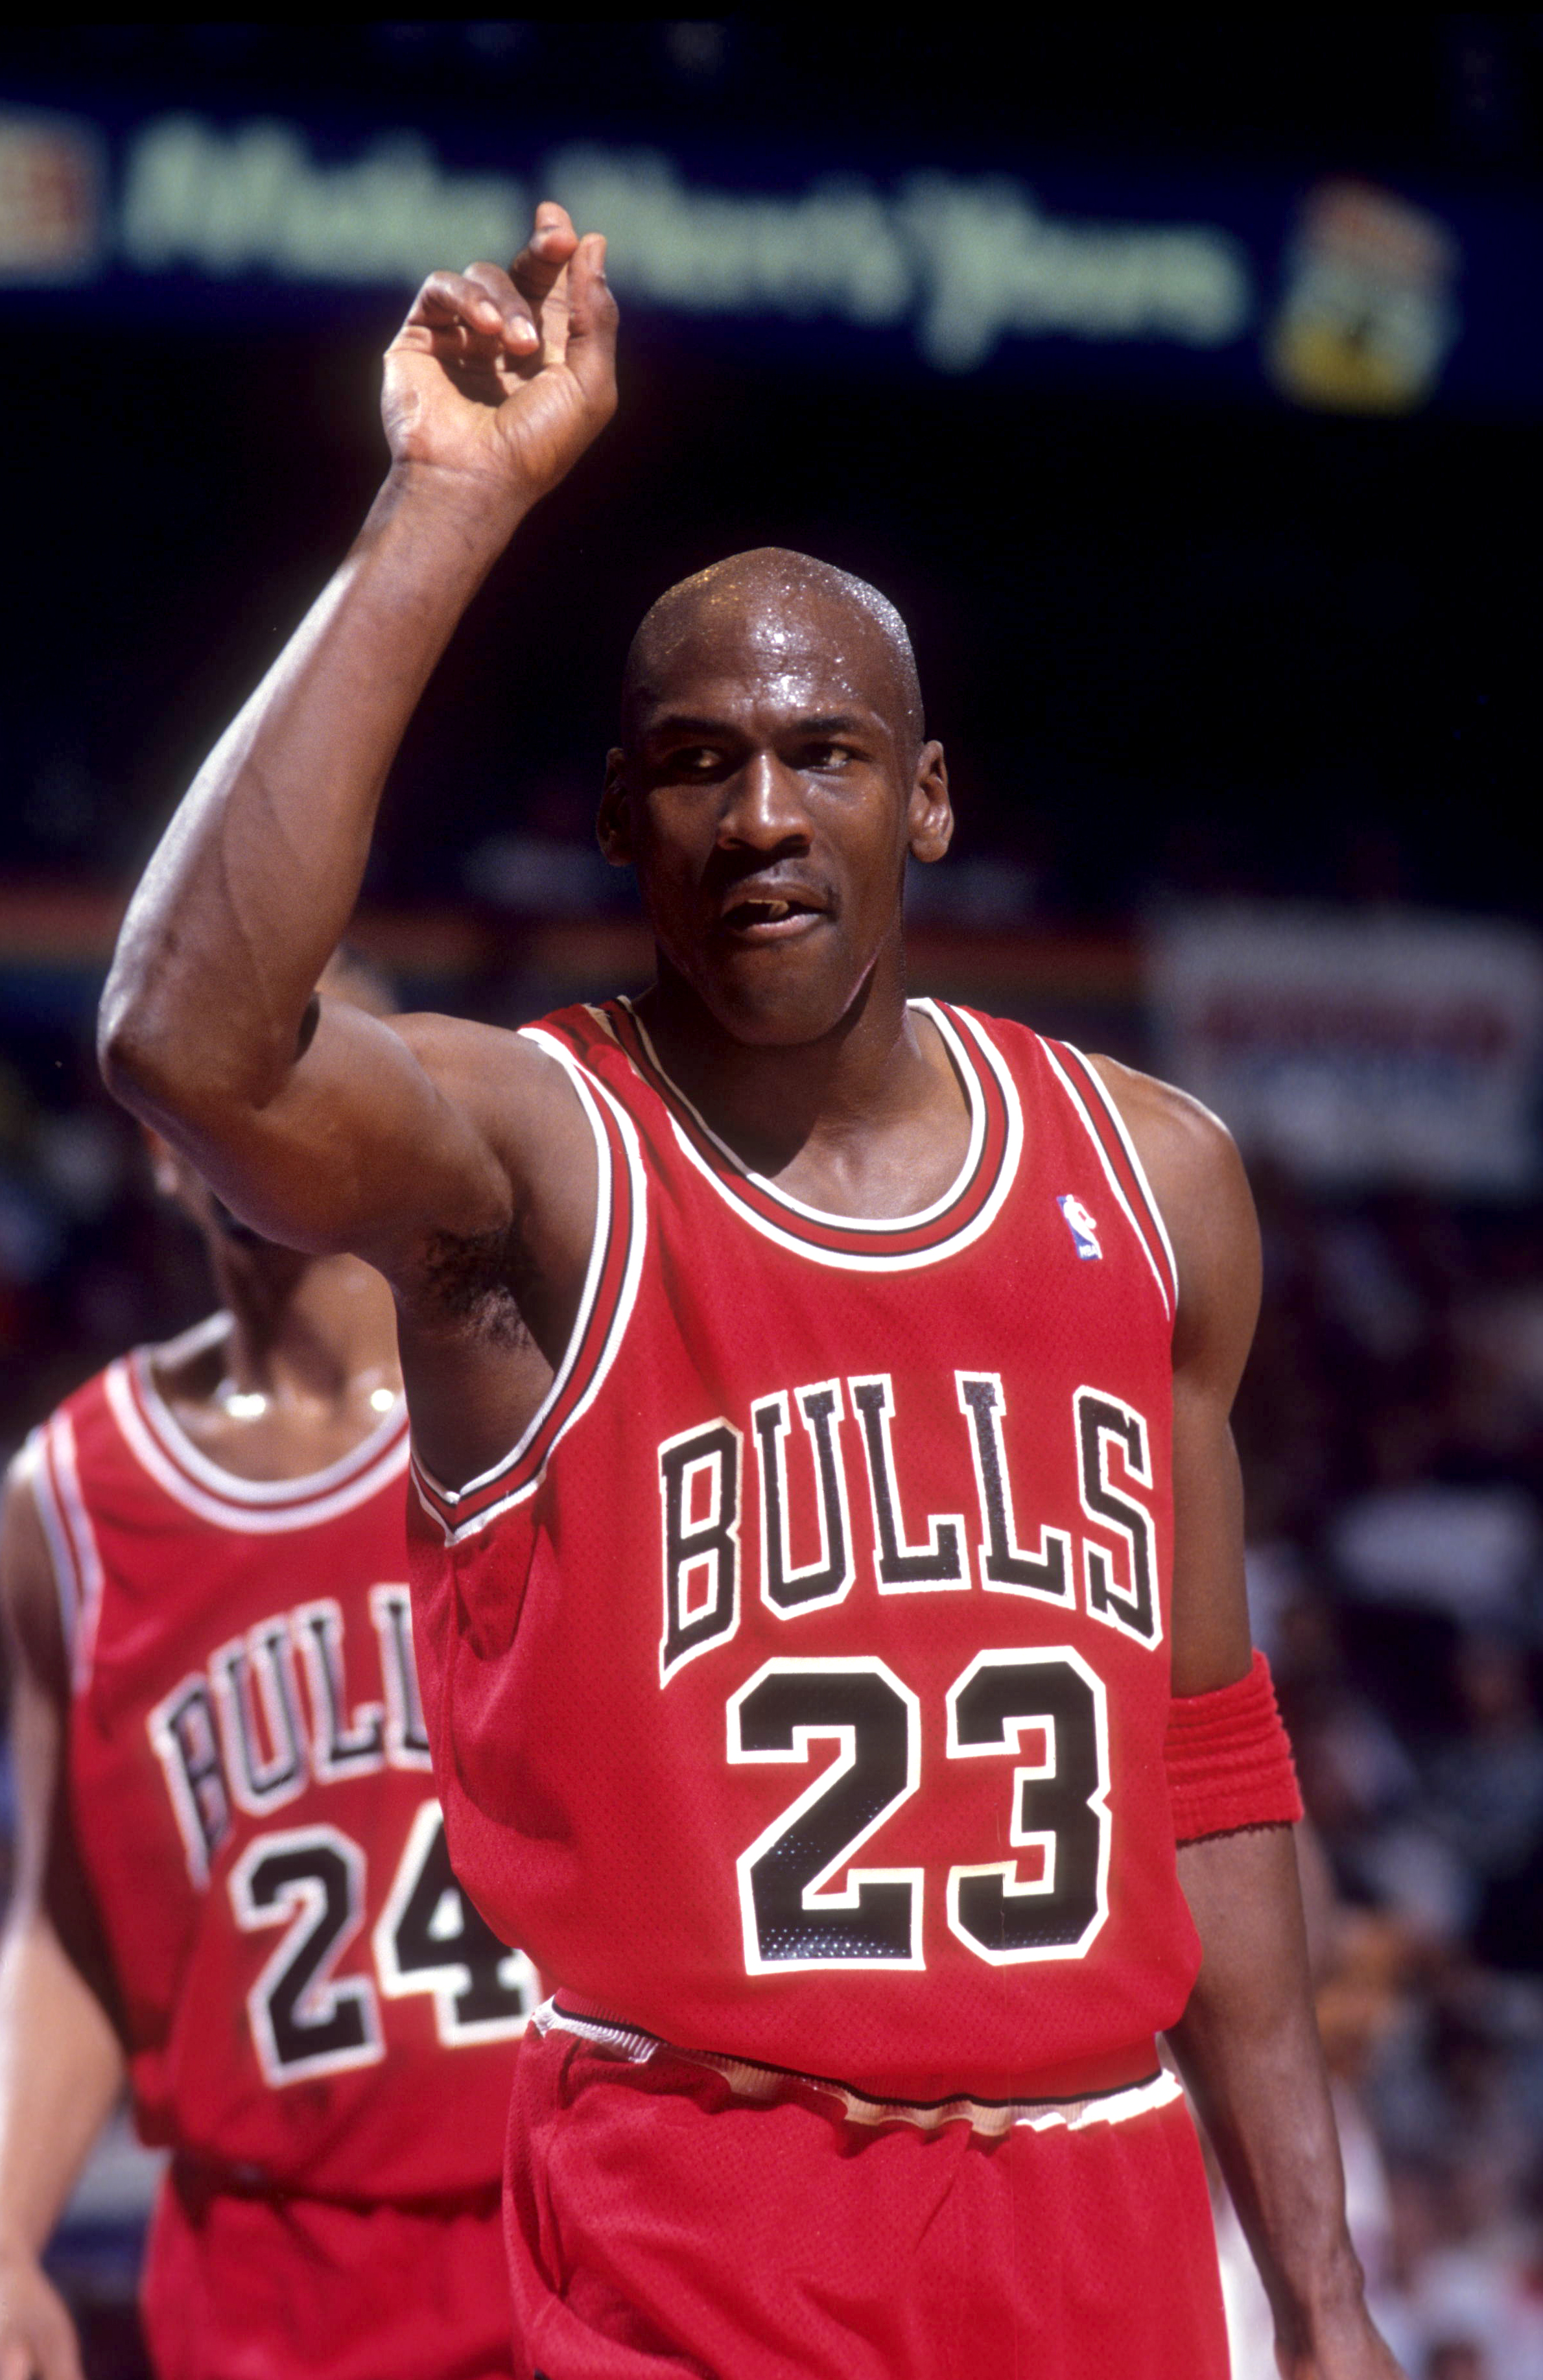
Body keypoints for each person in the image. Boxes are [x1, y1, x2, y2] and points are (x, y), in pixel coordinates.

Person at [95, 204, 1403, 2378]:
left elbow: (1205, 1760)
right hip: (693, 2204)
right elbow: (186, 1037)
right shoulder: (533, 1155)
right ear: (624, 818)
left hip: (1099, 2209)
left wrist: (1323, 2291)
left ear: (930, 802)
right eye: (697, 765)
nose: (762, 815)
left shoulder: (1155, 1178)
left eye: (823, 757)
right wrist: (440, 510)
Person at [0, 958, 536, 2380]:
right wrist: (0, 2237)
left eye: (301, 1057)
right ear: (153, 1135)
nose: (250, 1103)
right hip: (267, 2296)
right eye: (210, 1065)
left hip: (574, 2235)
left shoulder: (552, 1413)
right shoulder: (70, 1493)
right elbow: (67, 1926)